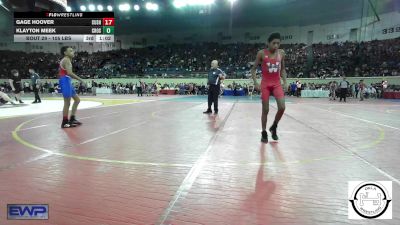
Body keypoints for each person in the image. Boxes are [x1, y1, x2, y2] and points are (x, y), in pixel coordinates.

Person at [251, 32, 287, 143]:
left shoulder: (281, 53)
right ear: (268, 43)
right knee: (265, 110)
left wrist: (285, 81)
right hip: (265, 84)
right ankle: (263, 131)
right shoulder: (261, 53)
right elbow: (253, 69)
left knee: (282, 107)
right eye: (274, 43)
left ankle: (274, 126)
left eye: (278, 43)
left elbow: (283, 69)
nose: (276, 45)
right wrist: (256, 83)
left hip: (276, 83)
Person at [59, 46, 84, 128]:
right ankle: (65, 122)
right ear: (65, 53)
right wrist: (80, 79)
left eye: (73, 51)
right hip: (65, 81)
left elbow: (68, 73)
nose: (73, 52)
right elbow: (69, 73)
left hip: (67, 80)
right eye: (70, 51)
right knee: (67, 102)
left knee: (77, 100)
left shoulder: (67, 60)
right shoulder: (66, 60)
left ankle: (72, 118)